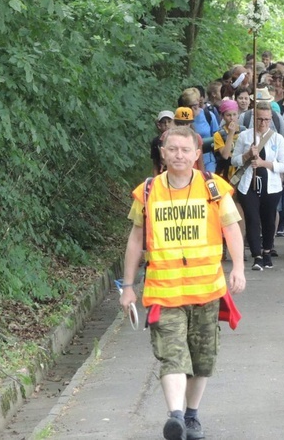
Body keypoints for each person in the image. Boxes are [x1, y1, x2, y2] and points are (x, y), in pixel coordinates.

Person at [119, 125, 246, 440]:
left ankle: (191, 416)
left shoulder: (213, 187)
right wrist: (128, 286)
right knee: (172, 354)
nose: (179, 155)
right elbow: (136, 240)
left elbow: (231, 229)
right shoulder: (147, 191)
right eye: (172, 149)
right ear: (163, 154)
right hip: (165, 292)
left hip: (207, 290)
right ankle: (175, 416)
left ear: (196, 154)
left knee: (202, 360)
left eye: (185, 150)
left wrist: (239, 267)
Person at [232, 101, 284, 271]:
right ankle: (256, 255)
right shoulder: (245, 137)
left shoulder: (277, 139)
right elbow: (234, 160)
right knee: (252, 218)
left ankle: (266, 251)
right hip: (248, 184)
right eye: (259, 119)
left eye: (266, 119)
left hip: (270, 186)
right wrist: (247, 155)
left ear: (271, 120)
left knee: (268, 219)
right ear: (254, 119)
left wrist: (265, 163)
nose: (262, 123)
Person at [181, 88, 219, 172]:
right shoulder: (182, 118)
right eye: (189, 107)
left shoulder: (208, 115)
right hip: (189, 160)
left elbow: (216, 135)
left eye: (195, 106)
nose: (192, 110)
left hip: (208, 159)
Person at [151, 110, 174, 176]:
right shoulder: (156, 141)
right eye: (164, 122)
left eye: (169, 122)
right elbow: (155, 163)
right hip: (162, 174)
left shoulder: (179, 139)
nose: (167, 124)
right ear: (159, 125)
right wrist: (155, 178)